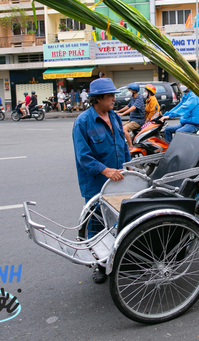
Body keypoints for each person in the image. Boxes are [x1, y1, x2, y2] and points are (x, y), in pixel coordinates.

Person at [72, 77, 130, 284]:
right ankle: (97, 263)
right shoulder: (83, 122)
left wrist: (128, 166)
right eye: (110, 96)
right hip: (96, 183)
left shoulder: (114, 117)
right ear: (97, 99)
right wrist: (105, 171)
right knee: (96, 224)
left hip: (119, 179)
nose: (114, 99)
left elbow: (122, 145)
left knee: (117, 220)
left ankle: (115, 257)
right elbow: (83, 156)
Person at [116, 83, 145, 149]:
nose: (128, 91)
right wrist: (118, 111)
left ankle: (130, 146)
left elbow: (133, 108)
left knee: (124, 129)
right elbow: (128, 106)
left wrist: (122, 114)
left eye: (129, 90)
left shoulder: (139, 98)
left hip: (138, 121)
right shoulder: (133, 98)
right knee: (118, 126)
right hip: (132, 120)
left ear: (134, 91)